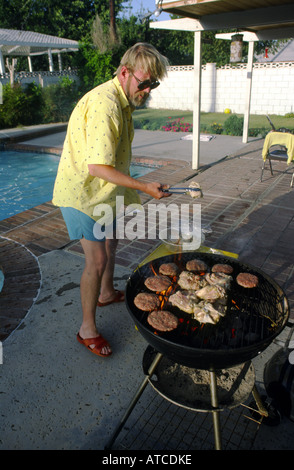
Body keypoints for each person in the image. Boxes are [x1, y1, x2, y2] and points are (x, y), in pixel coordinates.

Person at [52, 43, 170, 358]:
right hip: (83, 193)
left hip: (104, 192)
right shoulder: (106, 105)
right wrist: (145, 187)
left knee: (112, 242)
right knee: (97, 259)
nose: (146, 90)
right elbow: (97, 167)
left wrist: (142, 186)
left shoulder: (123, 100)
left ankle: (105, 293)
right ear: (124, 72)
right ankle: (86, 329)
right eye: (144, 82)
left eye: (152, 85)